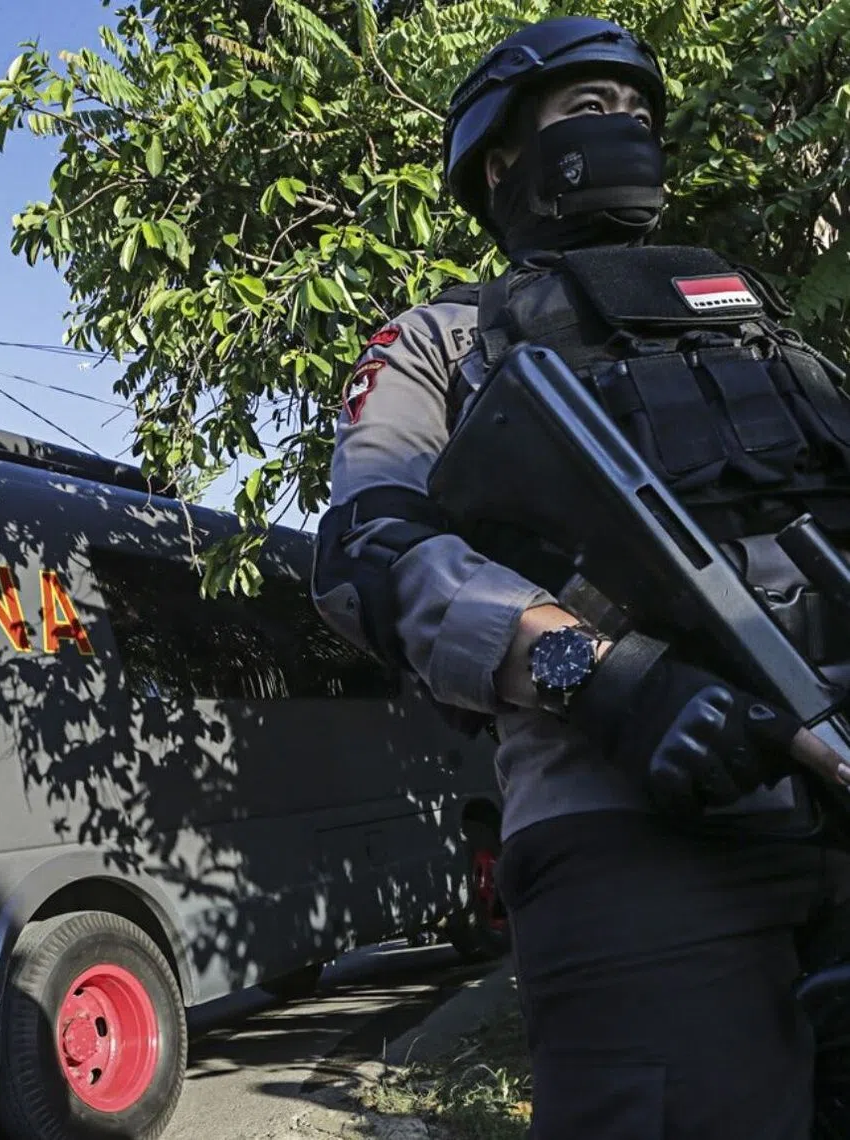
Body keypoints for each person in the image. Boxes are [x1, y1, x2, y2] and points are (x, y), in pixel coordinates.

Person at [313, 16, 850, 1139]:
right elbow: (369, 552)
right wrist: (605, 678)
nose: (629, 133)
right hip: (628, 832)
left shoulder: (752, 326)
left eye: (641, 115)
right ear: (504, 161)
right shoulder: (444, 342)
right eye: (589, 112)